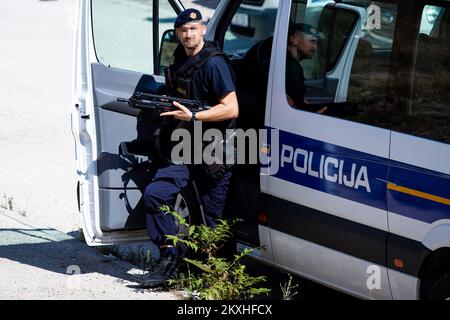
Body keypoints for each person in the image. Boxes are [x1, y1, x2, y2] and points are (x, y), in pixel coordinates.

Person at [139, 8, 239, 288]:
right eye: (183, 29)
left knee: (213, 221)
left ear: (204, 30)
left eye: (193, 28)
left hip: (212, 151)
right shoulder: (181, 57)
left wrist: (193, 117)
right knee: (155, 194)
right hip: (184, 146)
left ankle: (218, 280)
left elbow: (231, 108)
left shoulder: (214, 64)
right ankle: (169, 256)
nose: (187, 34)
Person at [285, 23, 328, 114]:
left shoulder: (292, 65)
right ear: (294, 39)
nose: (315, 47)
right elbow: (287, 105)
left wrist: (307, 107)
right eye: (312, 41)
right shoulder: (287, 66)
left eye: (316, 43)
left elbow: (295, 99)